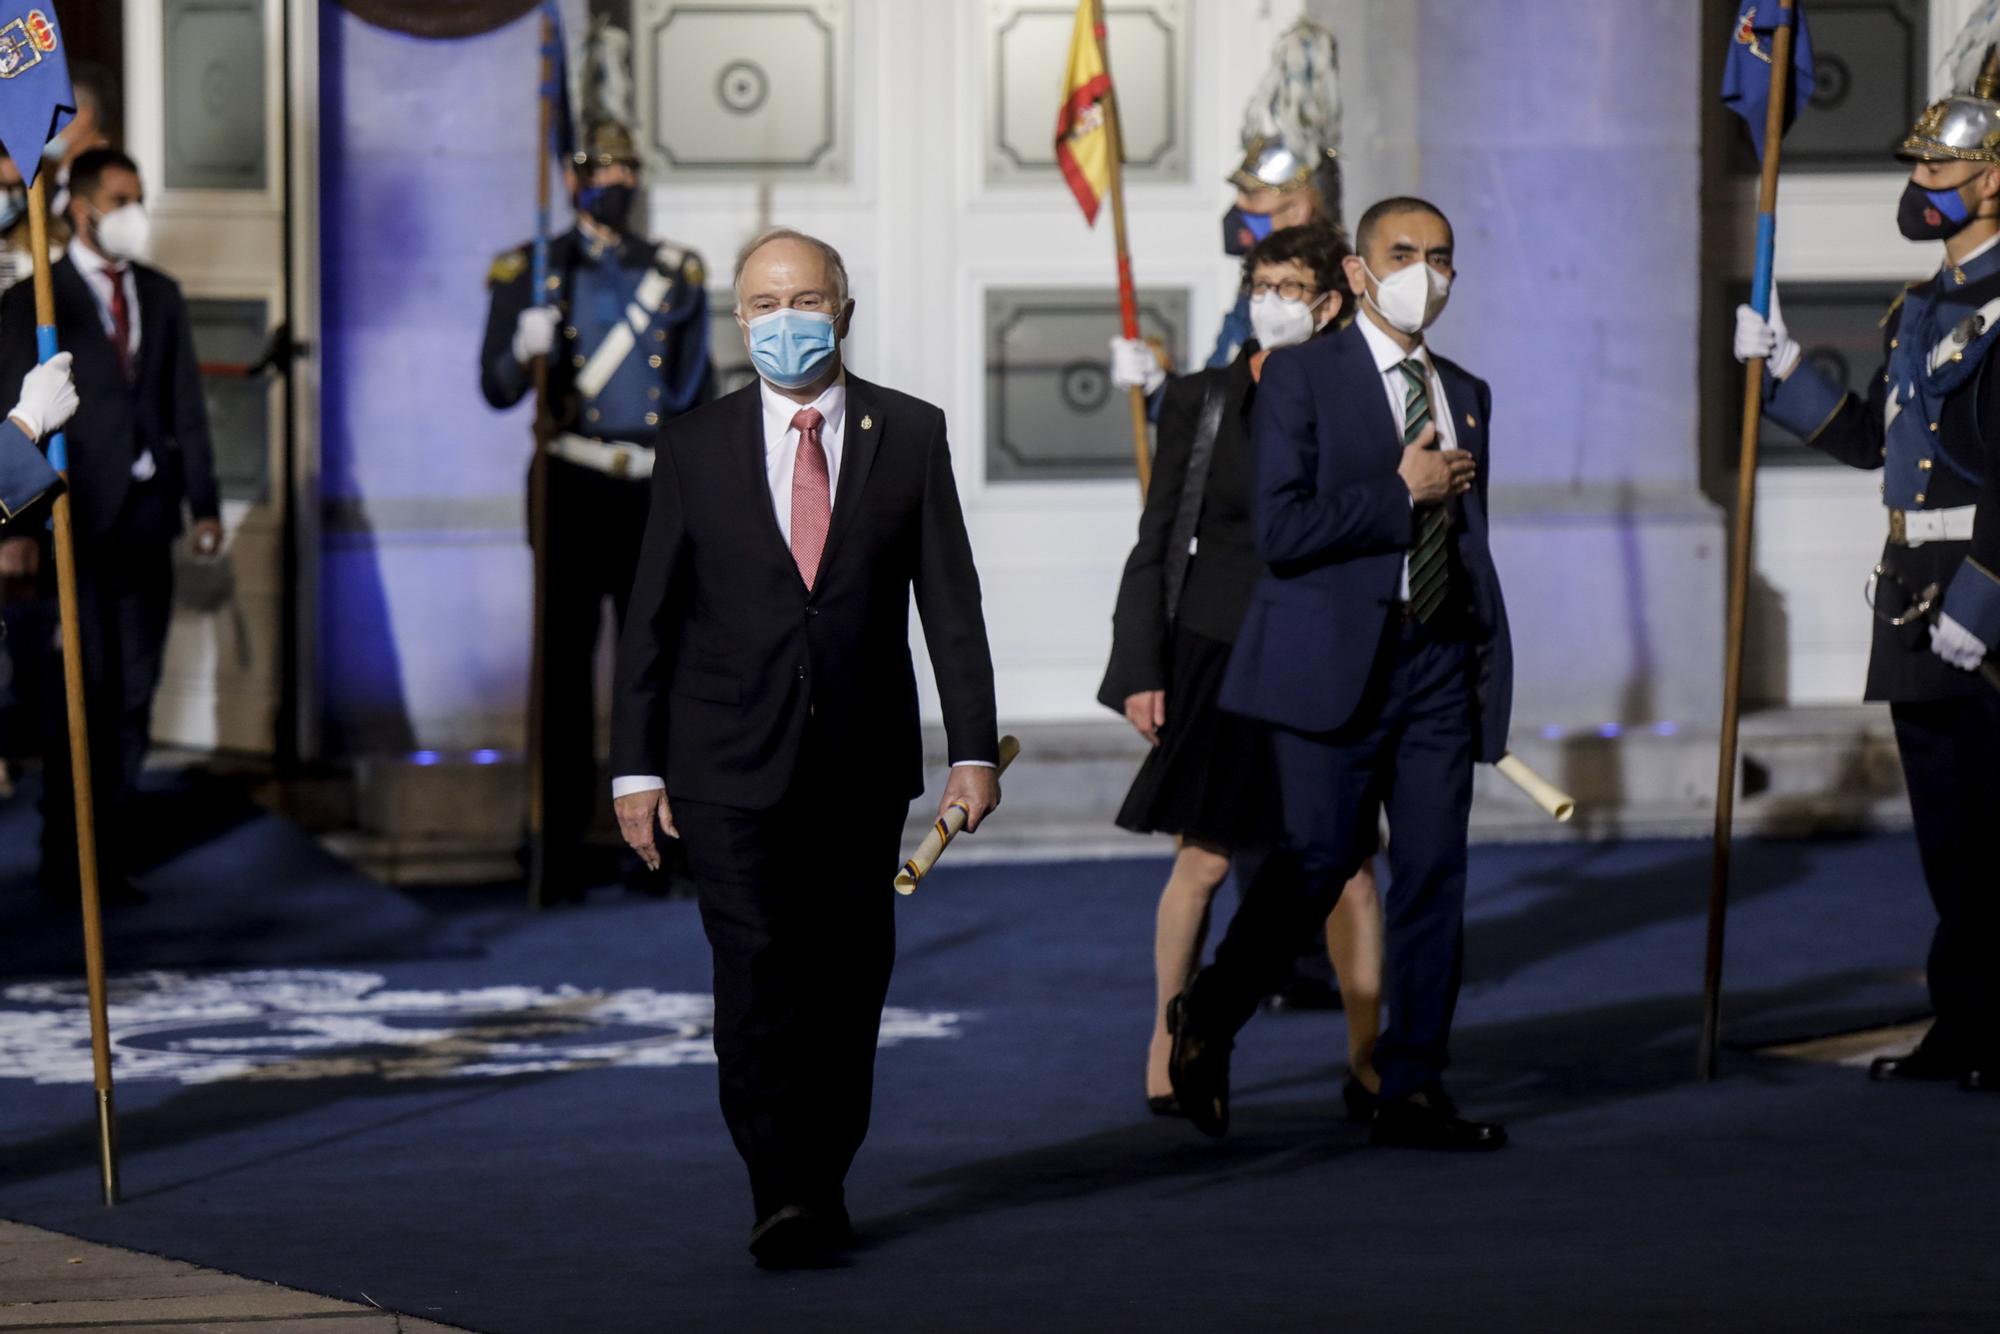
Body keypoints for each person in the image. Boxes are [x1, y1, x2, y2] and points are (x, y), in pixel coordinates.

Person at [609, 227, 1000, 1266]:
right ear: (740, 323)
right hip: (724, 759)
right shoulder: (693, 445)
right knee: (756, 967)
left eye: (804, 298)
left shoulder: (907, 433)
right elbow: (650, 617)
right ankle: (781, 1187)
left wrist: (973, 749)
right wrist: (635, 767)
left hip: (857, 758)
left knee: (845, 973)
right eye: (763, 304)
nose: (785, 319)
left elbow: (947, 603)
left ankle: (822, 1169)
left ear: (843, 307)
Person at [1166, 196, 1513, 1152]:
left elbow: (1472, 542)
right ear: (1357, 273)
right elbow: (1280, 533)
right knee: (1317, 860)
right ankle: (1211, 1011)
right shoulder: (1301, 379)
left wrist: (1484, 657)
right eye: (1405, 254)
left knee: (1436, 872)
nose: (1426, 273)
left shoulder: (1467, 389)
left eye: (1442, 256)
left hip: (1438, 654)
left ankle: (1411, 1085)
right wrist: (1397, 493)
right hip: (1333, 661)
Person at [1733, 60, 2000, 1093]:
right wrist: (1785, 372)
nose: (1919, 175)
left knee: (1991, 830)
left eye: (1940, 160)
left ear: (1990, 182)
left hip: (1980, 593)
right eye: (1919, 158)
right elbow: (1869, 444)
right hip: (1910, 591)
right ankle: (1964, 1022)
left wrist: (1980, 602)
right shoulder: (1916, 305)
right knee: (1945, 833)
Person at [1099, 221, 1384, 1122]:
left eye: (1290, 288)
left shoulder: (1361, 397)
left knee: (1345, 864)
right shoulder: (1203, 398)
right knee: (1206, 861)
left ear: (1331, 302)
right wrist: (1141, 665)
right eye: (1261, 286)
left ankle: (1372, 1059)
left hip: (1324, 650)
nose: (1271, 303)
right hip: (1217, 650)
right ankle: (1168, 1041)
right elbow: (1157, 539)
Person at [479, 117, 713, 900]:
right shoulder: (530, 269)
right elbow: (496, 389)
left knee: (657, 665)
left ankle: (663, 844)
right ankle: (557, 842)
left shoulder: (673, 273)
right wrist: (522, 345)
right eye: (601, 172)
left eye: (627, 173)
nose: (616, 186)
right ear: (574, 178)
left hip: (651, 488)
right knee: (562, 669)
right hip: (569, 484)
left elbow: (693, 394)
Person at [0, 148, 221, 902]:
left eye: (141, 198)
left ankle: (114, 842)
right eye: (122, 199)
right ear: (84, 207)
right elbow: (11, 418)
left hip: (146, 520)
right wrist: (17, 533)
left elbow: (185, 406)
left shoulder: (160, 295)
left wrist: (207, 506)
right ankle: (70, 851)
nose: (135, 213)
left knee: (134, 690)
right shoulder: (35, 300)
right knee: (80, 691)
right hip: (73, 521)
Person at [1110, 19, 1345, 398]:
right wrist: (1157, 387)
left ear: (1297, 211)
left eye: (1253, 195)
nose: (1239, 206)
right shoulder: (1250, 293)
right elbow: (1214, 409)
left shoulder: (1342, 305)